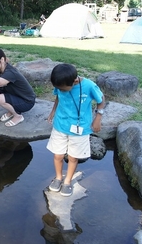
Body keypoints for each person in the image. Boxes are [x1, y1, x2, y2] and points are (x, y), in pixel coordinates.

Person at [46, 63, 105, 197]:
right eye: (58, 88)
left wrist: (98, 118)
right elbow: (58, 97)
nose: (61, 90)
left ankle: (67, 181)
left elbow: (101, 100)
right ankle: (58, 177)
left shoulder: (89, 86)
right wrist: (53, 111)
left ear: (74, 81)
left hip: (80, 128)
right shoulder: (60, 85)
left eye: (63, 88)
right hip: (60, 125)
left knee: (73, 157)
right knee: (58, 155)